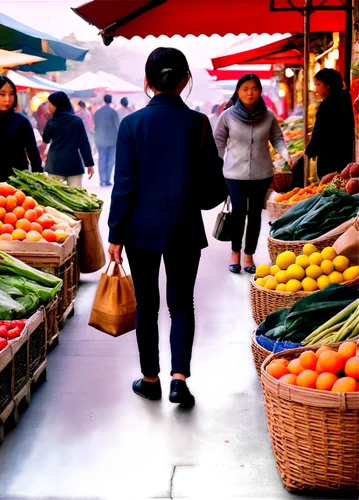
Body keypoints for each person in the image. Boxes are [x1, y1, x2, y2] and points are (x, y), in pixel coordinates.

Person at [108, 47, 223, 404]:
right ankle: (179, 379)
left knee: (147, 305)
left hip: (140, 230)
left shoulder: (132, 125)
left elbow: (123, 185)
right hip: (185, 227)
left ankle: (150, 378)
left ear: (147, 82)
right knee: (182, 304)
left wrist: (116, 235)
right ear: (186, 80)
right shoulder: (198, 123)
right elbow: (213, 186)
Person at [214, 74, 292, 275]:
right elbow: (218, 143)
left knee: (255, 215)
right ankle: (235, 253)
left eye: (254, 89)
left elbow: (278, 139)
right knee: (239, 212)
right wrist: (220, 164)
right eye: (245, 89)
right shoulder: (228, 115)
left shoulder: (268, 115)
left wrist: (286, 154)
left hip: (261, 173)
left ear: (260, 91)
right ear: (238, 92)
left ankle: (249, 255)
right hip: (234, 175)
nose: (250, 93)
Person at [0, 75, 43, 182]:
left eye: (11, 94)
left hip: (17, 184)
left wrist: (39, 182)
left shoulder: (22, 122)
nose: (8, 99)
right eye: (2, 94)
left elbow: (33, 154)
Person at [306, 69, 355, 179]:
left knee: (330, 189)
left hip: (329, 160)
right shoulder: (348, 99)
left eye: (318, 84)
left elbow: (319, 132)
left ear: (328, 85)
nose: (316, 89)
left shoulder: (326, 105)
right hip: (347, 156)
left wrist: (310, 151)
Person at [43, 92, 94, 187]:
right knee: (76, 197)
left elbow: (45, 139)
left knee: (55, 198)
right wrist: (89, 164)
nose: (48, 107)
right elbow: (84, 144)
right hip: (74, 164)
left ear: (57, 105)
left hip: (55, 165)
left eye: (50, 104)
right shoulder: (77, 121)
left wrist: (48, 123)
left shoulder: (52, 122)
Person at [94, 95, 120, 186]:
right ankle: (107, 179)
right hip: (112, 140)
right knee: (110, 160)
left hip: (100, 139)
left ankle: (102, 180)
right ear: (111, 100)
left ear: (103, 100)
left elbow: (96, 126)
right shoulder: (113, 112)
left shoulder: (97, 112)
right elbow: (117, 126)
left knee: (101, 159)